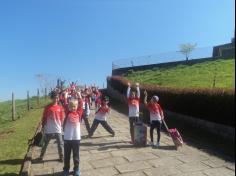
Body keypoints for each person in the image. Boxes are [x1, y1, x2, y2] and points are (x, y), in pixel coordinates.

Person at [39, 91, 65, 162]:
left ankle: (61, 156)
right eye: (54, 98)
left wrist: (62, 126)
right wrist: (43, 126)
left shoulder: (60, 107)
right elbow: (44, 117)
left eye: (57, 98)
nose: (56, 99)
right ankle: (41, 156)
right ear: (51, 98)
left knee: (60, 143)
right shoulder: (47, 107)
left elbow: (61, 118)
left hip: (58, 129)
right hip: (49, 129)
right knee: (45, 143)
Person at [63, 99, 83, 176]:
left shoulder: (79, 113)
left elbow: (81, 104)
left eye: (74, 106)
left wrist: (79, 96)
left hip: (76, 138)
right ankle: (66, 169)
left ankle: (76, 169)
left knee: (76, 155)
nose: (73, 108)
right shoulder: (67, 113)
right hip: (67, 138)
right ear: (69, 107)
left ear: (77, 107)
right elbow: (64, 104)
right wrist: (65, 96)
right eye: (71, 106)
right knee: (67, 155)